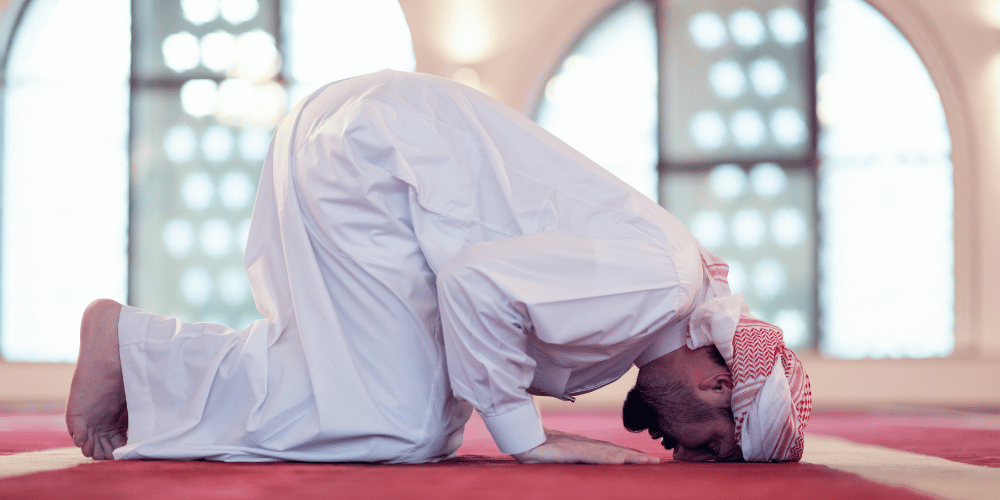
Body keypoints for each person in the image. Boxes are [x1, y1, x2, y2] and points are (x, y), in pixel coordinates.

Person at [66, 70, 810, 465]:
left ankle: (144, 364)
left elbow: (483, 308)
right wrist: (531, 443)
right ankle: (135, 349)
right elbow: (474, 283)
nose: (681, 452)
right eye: (714, 443)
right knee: (402, 425)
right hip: (373, 161)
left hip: (367, 151)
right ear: (720, 385)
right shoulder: (659, 285)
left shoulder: (658, 295)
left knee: (396, 407)